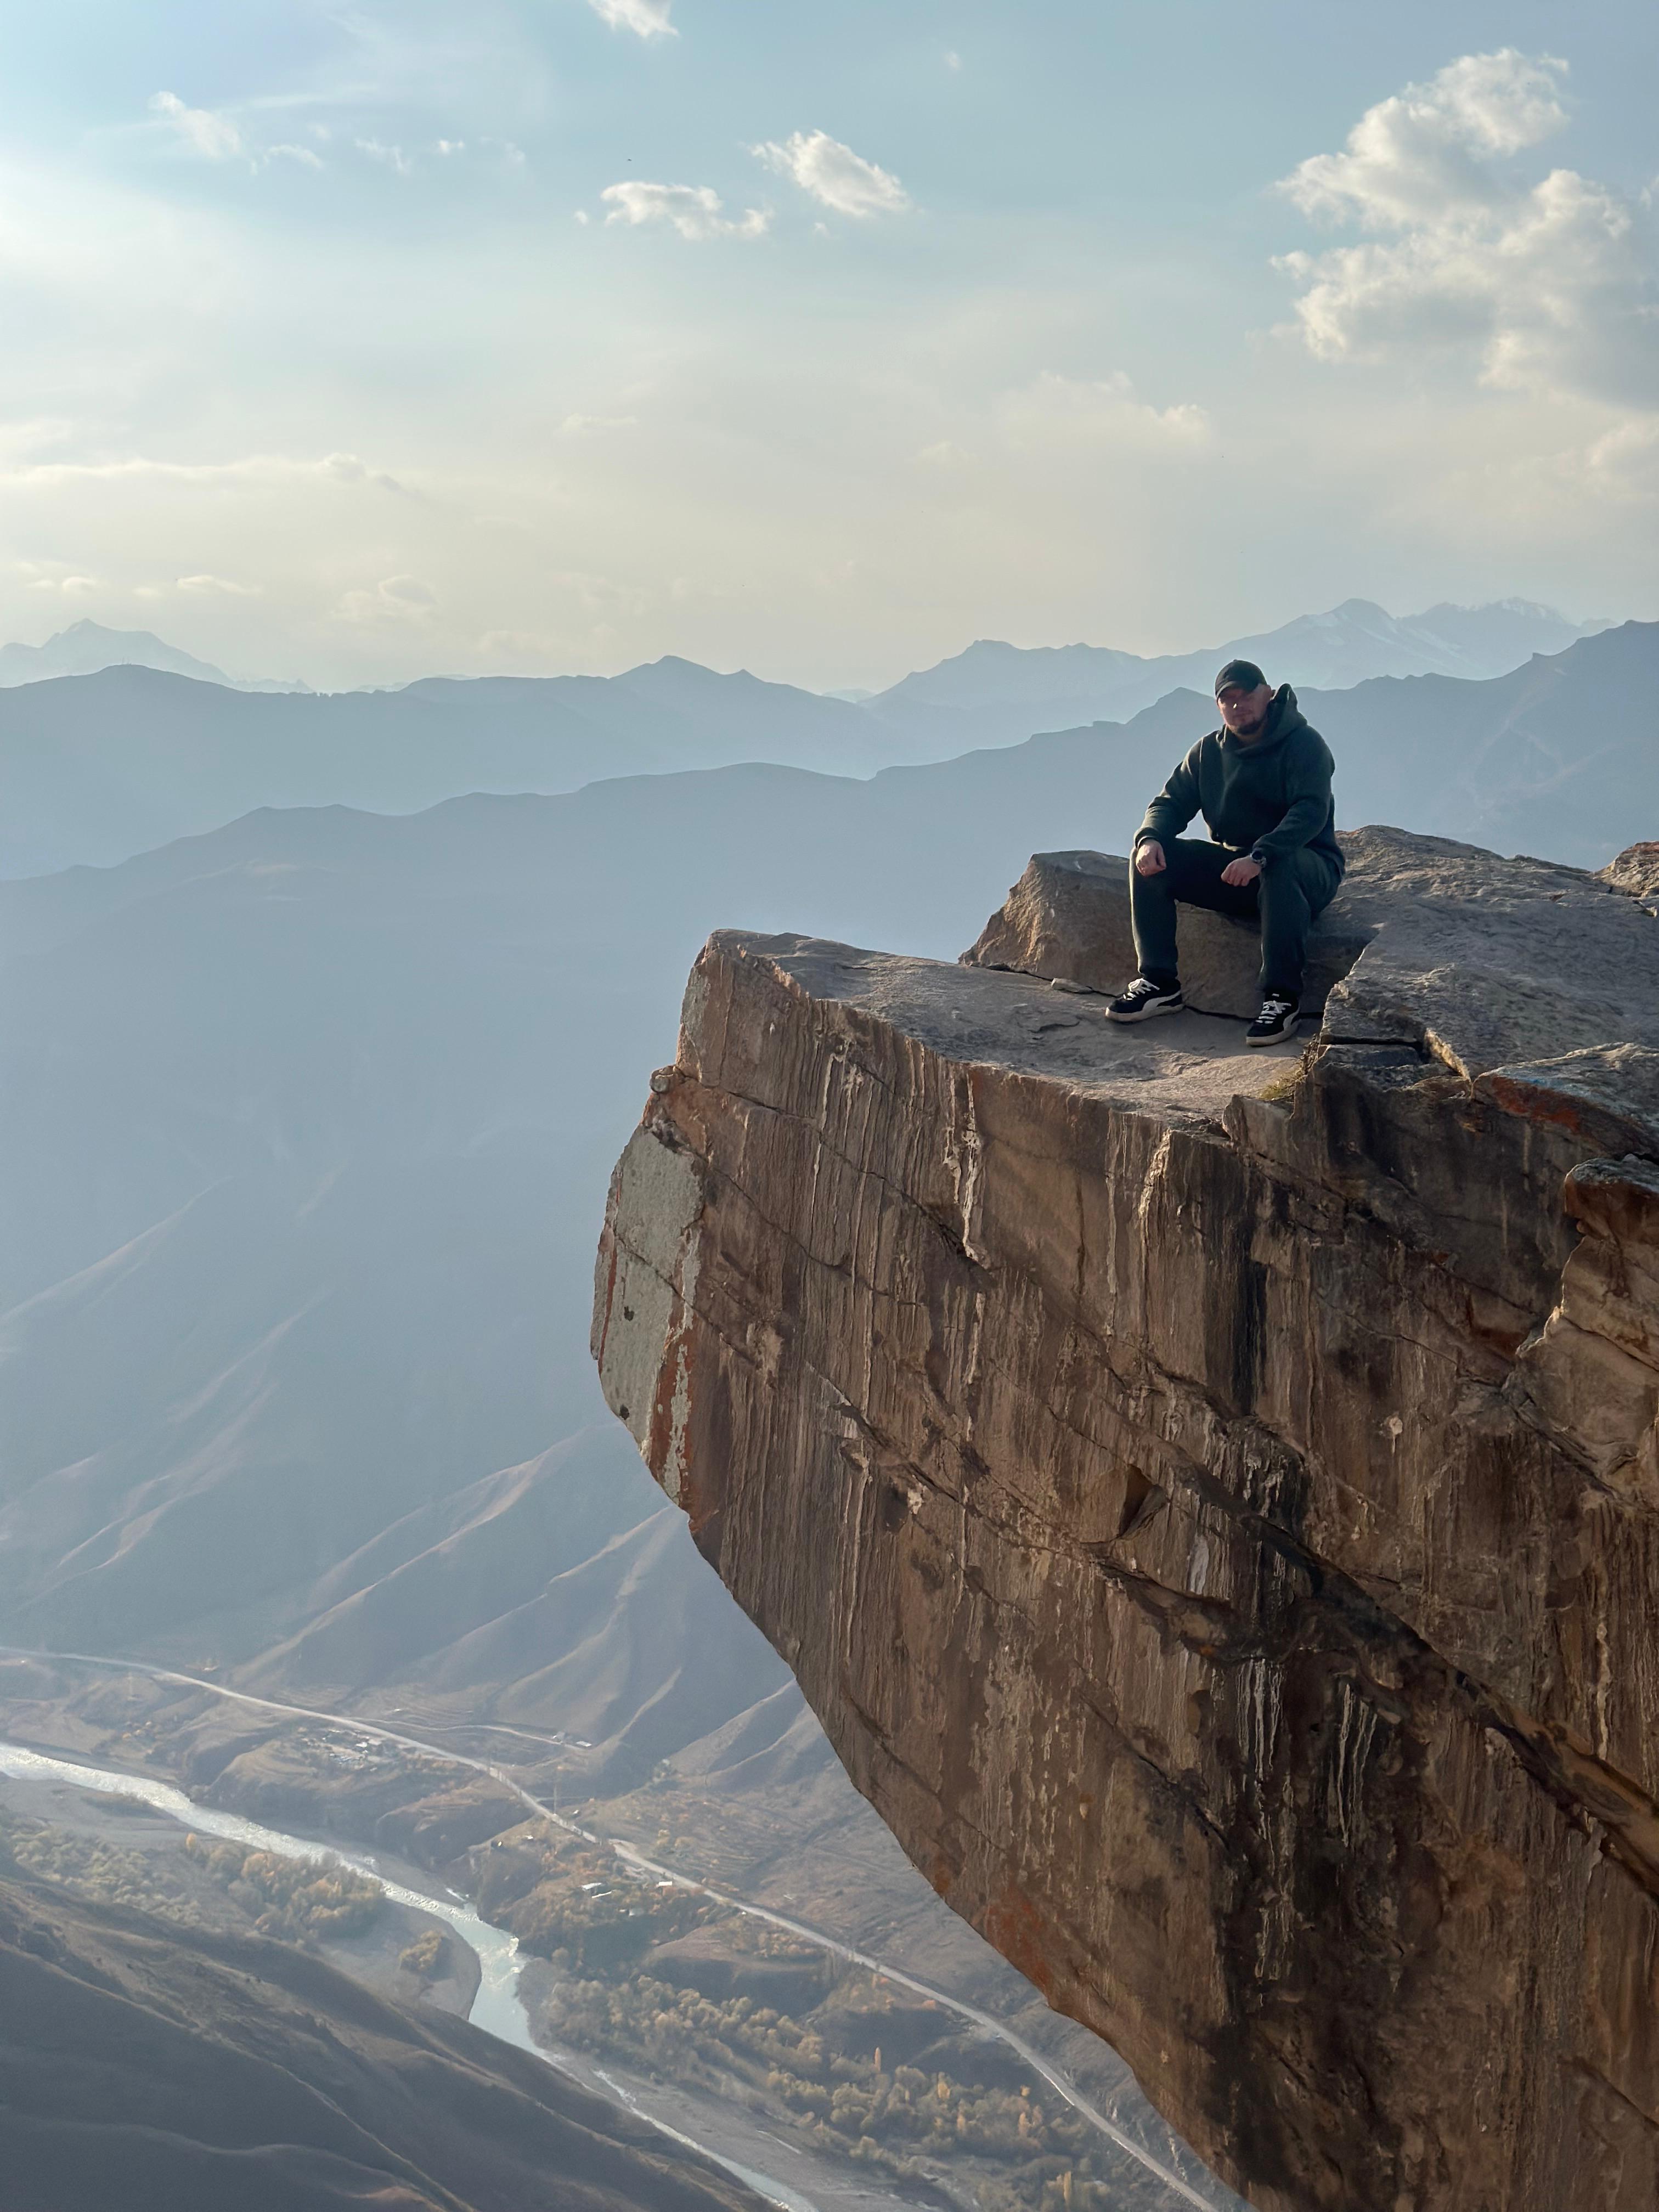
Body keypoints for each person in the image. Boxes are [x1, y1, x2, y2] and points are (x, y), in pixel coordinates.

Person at [1105, 658, 1342, 1045]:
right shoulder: (1207, 754)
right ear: (1218, 706)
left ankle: (1282, 999)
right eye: (1227, 699)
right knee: (1153, 859)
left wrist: (1260, 855)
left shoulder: (1305, 744)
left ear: (1268, 694)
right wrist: (1148, 838)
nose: (1237, 705)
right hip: (1239, 871)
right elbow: (1169, 803)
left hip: (1306, 869)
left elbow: (1309, 812)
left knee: (1278, 866)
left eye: (1246, 695)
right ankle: (1159, 982)